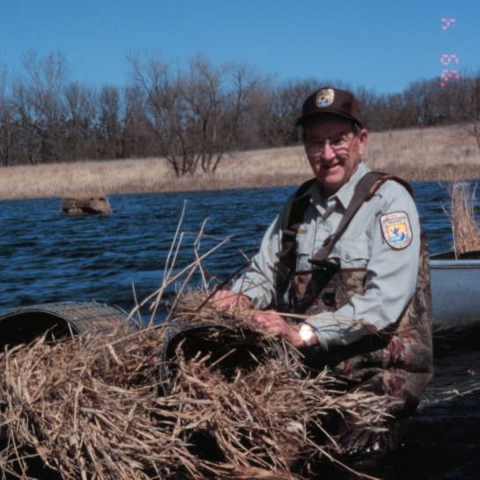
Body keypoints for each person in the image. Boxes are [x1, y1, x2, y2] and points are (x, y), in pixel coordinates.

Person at [213, 86, 433, 465]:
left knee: (347, 459)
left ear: (361, 141)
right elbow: (265, 272)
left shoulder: (390, 201)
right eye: (316, 143)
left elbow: (385, 302)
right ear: (305, 147)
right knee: (243, 445)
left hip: (381, 374)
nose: (327, 154)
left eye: (337, 140)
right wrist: (241, 297)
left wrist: (303, 333)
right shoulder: (297, 206)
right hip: (316, 372)